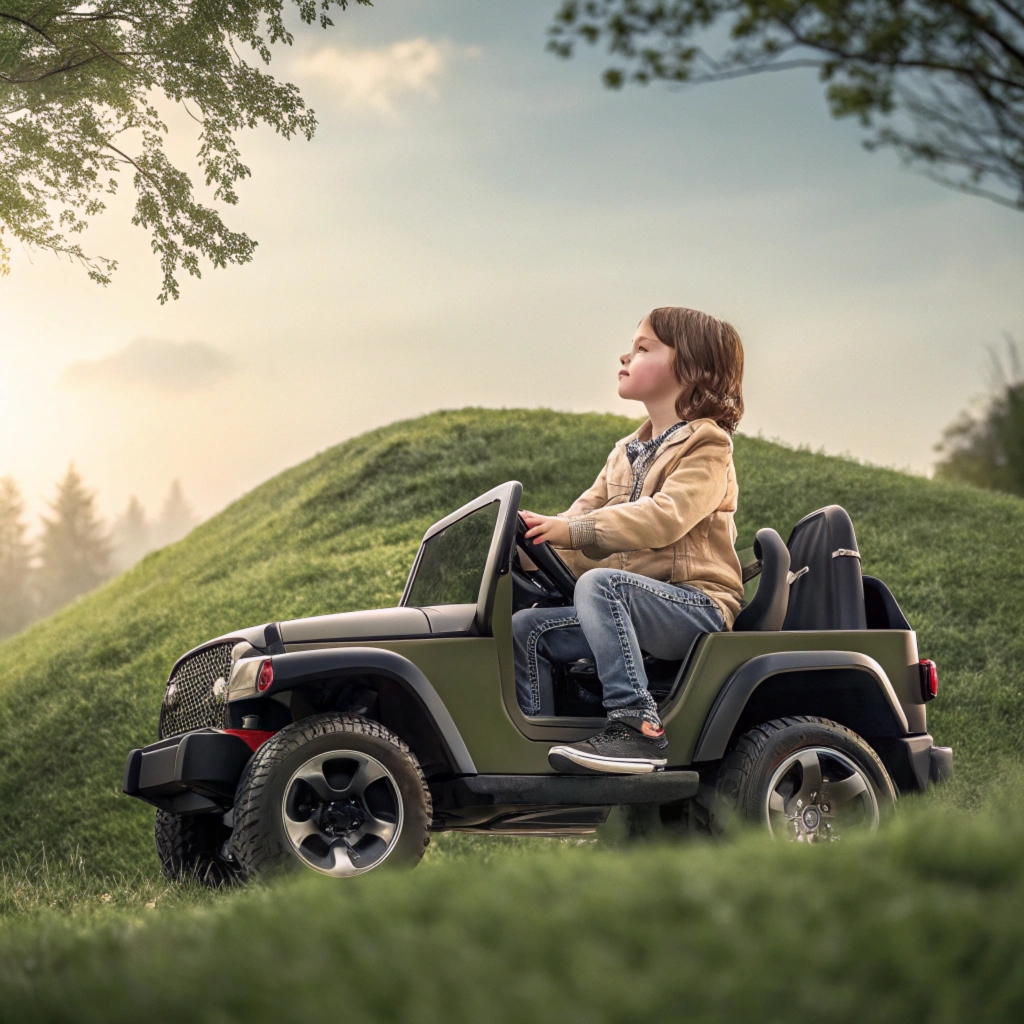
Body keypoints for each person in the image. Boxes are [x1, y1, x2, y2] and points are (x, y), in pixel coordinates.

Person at [513, 306, 745, 774]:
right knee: (527, 629)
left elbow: (664, 518)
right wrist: (529, 543)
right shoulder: (624, 453)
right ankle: (541, 752)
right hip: (626, 603)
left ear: (692, 369)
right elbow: (577, 520)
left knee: (600, 584)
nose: (626, 354)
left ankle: (636, 726)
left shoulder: (708, 445)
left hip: (695, 606)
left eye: (644, 348)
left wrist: (572, 531)